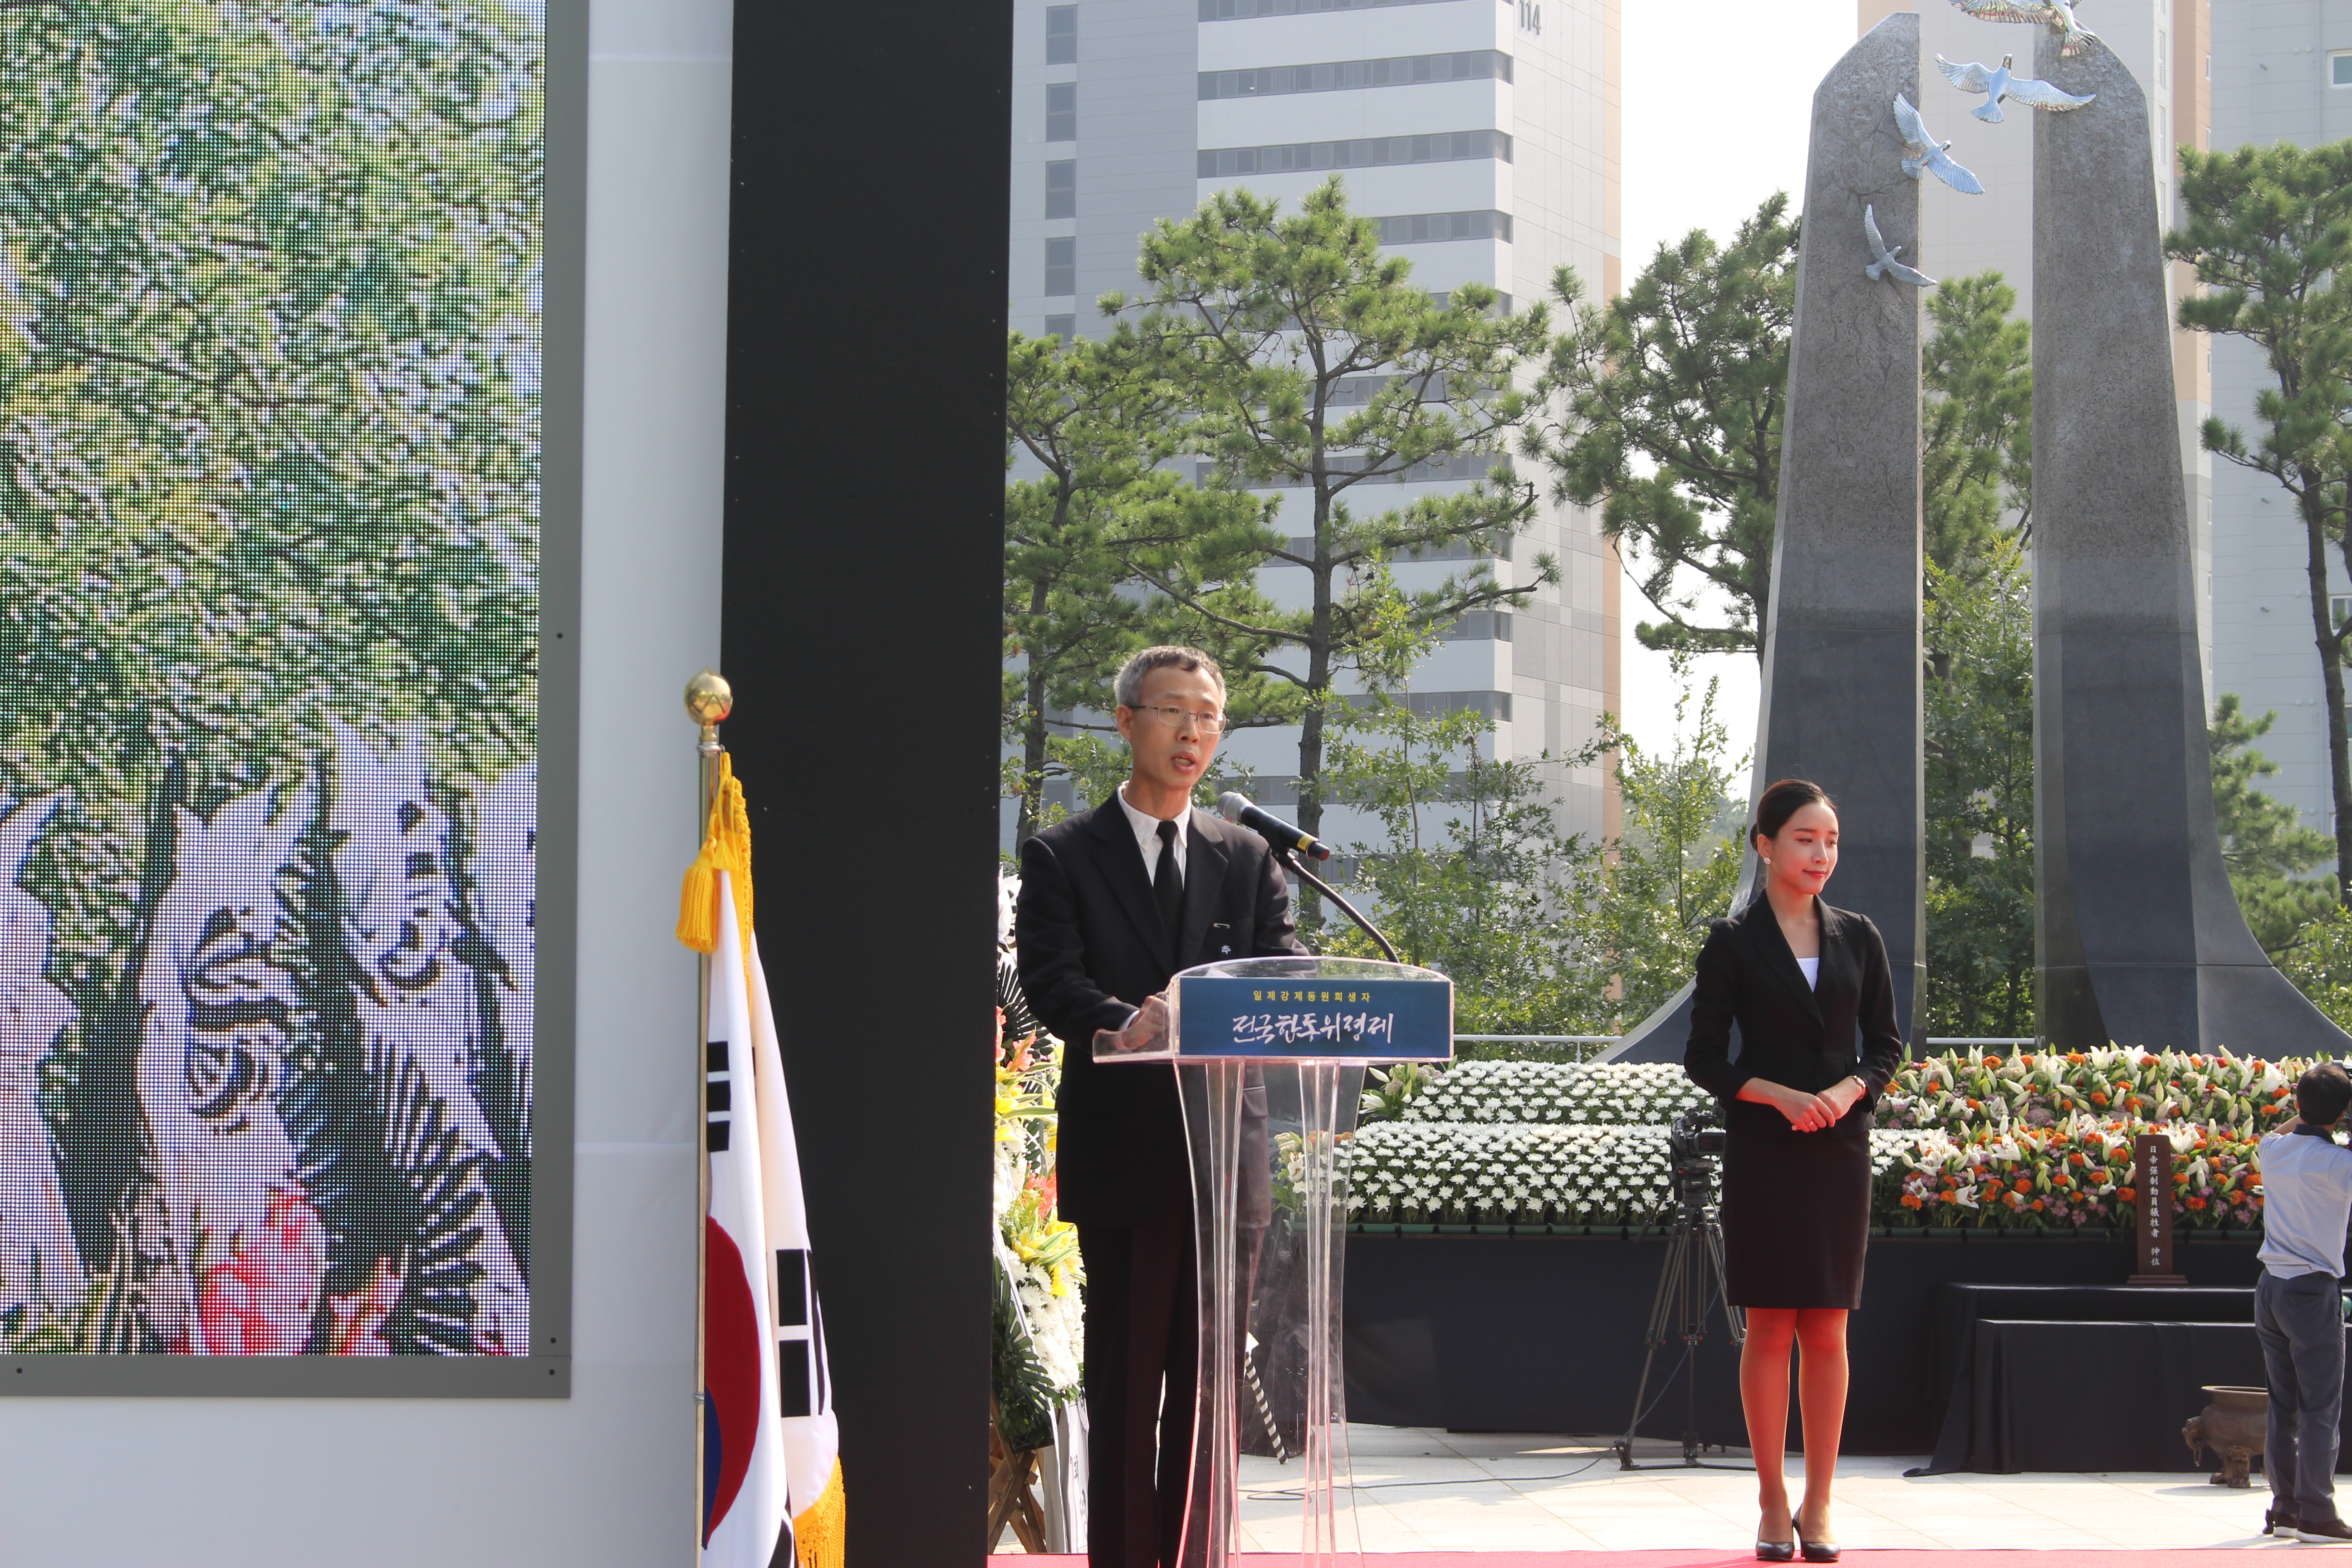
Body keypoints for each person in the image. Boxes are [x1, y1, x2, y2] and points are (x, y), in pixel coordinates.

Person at [1014, 645, 1305, 1568]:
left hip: (1229, 1159)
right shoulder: (1063, 854)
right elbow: (1052, 985)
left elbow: (1279, 974)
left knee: (1213, 1383)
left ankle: (1200, 1556)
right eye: (1174, 712)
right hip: (1129, 1154)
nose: (1193, 733)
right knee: (1131, 1379)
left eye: (1209, 717)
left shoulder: (1248, 854)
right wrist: (1128, 1022)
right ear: (1125, 721)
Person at [1683, 779, 1904, 1565]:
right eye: (1804, 838)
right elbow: (1703, 1059)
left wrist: (1846, 1092)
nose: (1820, 854)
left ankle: (1819, 1500)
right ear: (1764, 844)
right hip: (1766, 1146)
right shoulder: (1732, 941)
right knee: (1770, 1323)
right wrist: (1775, 1096)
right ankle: (1771, 1496)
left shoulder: (1859, 936)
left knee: (1828, 1326)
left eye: (1831, 841)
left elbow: (1885, 1045)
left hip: (1838, 1147)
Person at [2254, 1059, 2352, 1544]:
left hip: (2270, 1288)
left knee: (2284, 1405)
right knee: (2320, 1409)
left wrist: (2317, 1105)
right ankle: (2317, 1511)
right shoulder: (2340, 1164)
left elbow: (2283, 1129)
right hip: (2312, 1293)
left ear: (2296, 1102)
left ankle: (2286, 1507)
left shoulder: (2271, 1151)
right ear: (2343, 1112)